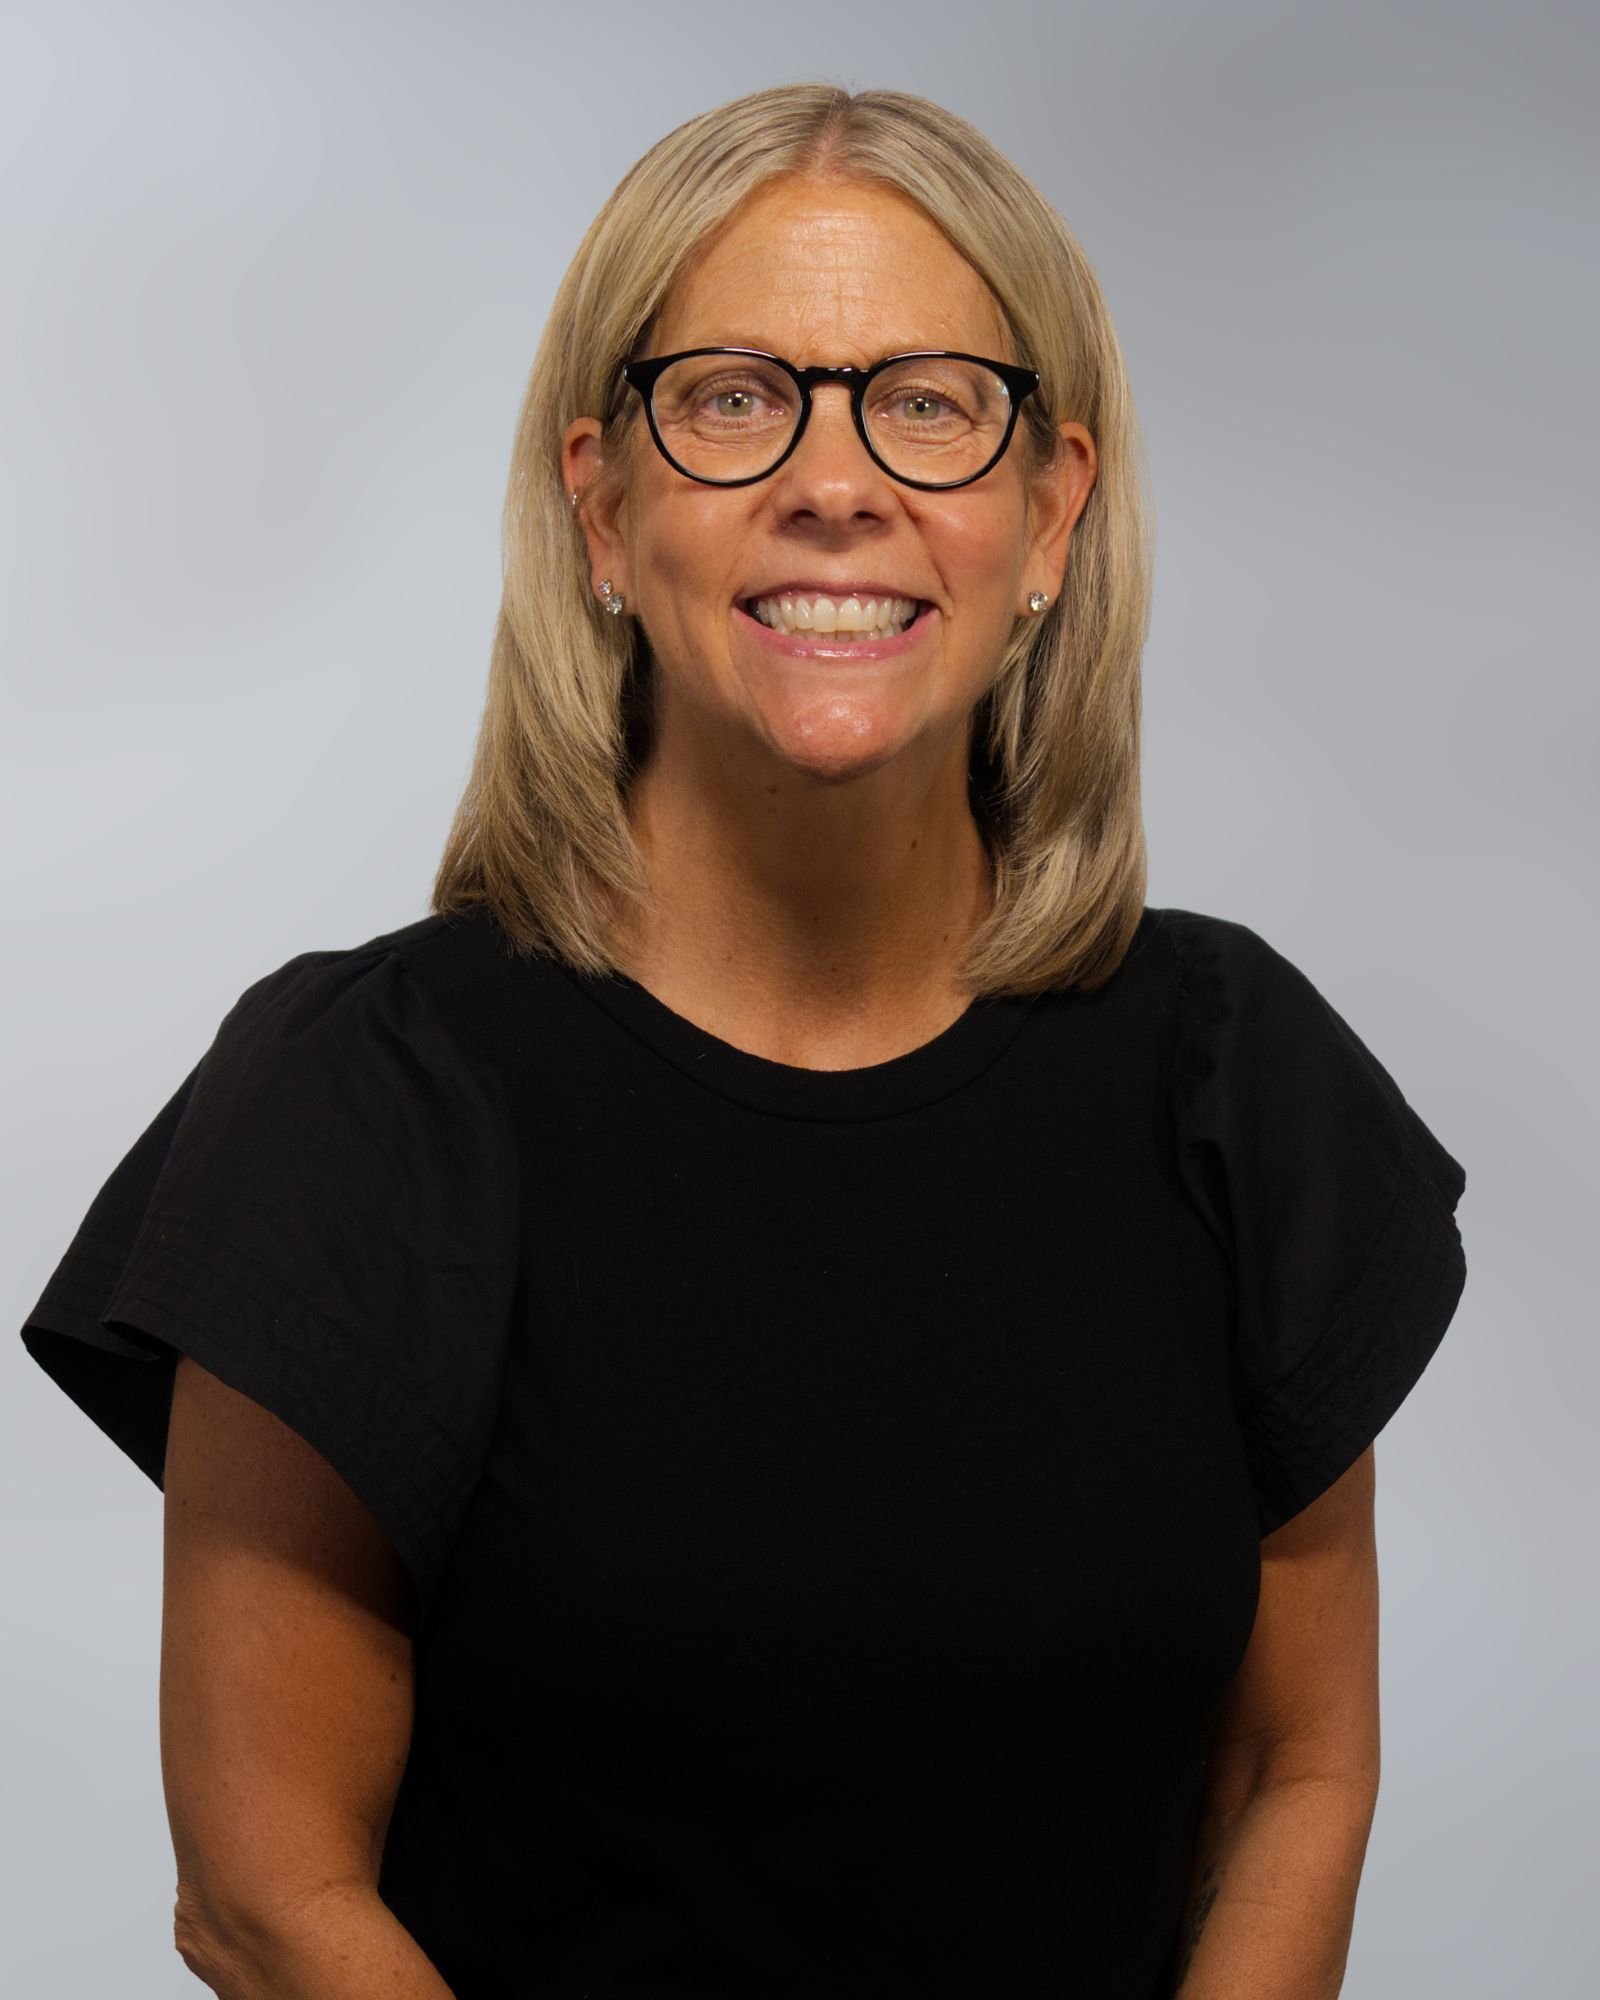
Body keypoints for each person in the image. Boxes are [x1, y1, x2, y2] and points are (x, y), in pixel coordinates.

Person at [19, 81, 1468, 2000]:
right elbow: (265, 1893)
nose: (836, 478)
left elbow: (1300, 1769)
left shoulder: (1234, 1080)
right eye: (734, 398)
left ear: (1052, 518)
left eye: (930, 402)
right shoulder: (370, 1105)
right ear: (600, 506)